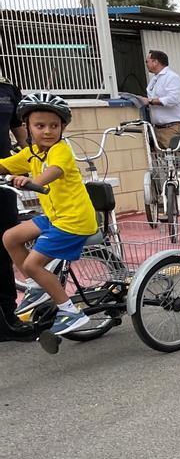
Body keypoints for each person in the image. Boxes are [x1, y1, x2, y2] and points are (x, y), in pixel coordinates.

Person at [0, 93, 98, 336]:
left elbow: (53, 171)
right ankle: (38, 285)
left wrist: (32, 181)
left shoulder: (60, 150)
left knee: (33, 263)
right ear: (27, 127)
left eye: (54, 126)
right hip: (56, 217)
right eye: (40, 126)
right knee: (10, 237)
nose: (47, 131)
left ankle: (69, 311)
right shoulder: (31, 152)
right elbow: (5, 164)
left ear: (62, 128)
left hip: (74, 220)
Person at [0, 75, 34, 341]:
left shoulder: (7, 88)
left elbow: (18, 130)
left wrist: (35, 158)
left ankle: (7, 318)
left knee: (4, 245)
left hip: (2, 178)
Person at [136, 50, 180, 150]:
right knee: (163, 162)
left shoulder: (172, 77)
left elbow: (173, 99)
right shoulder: (155, 79)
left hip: (172, 128)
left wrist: (150, 101)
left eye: (147, 61)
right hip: (158, 128)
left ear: (156, 62)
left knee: (177, 160)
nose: (146, 64)